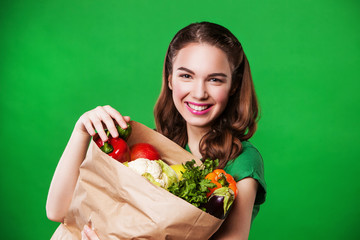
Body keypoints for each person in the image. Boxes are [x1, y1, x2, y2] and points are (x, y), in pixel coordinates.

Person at [46, 21, 266, 240]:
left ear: (234, 86)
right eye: (186, 76)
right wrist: (81, 132)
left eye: (215, 79)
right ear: (170, 79)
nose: (199, 93)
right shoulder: (153, 147)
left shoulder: (241, 160)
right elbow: (58, 211)